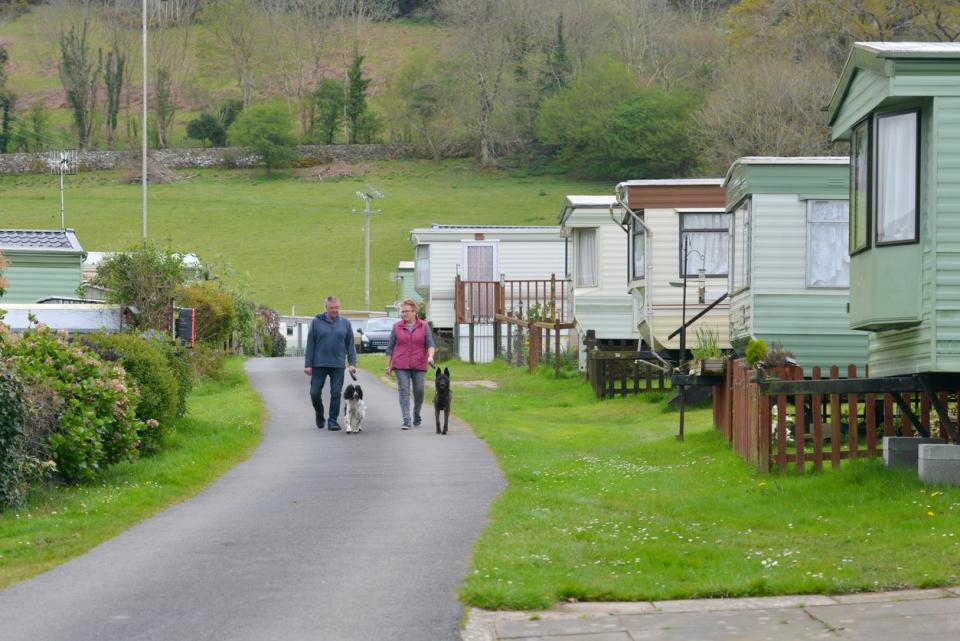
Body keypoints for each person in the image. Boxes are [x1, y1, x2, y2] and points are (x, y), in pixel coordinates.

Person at [304, 296, 357, 431]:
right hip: (319, 364)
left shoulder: (345, 323)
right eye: (332, 308)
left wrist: (352, 363)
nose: (335, 310)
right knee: (314, 393)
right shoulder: (316, 322)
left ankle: (332, 421)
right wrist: (308, 364)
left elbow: (350, 345)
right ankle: (319, 413)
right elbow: (310, 344)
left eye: (337, 308)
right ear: (326, 308)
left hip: (338, 365)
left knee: (336, 393)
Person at [385, 299, 436, 430]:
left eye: (407, 311)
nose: (404, 314)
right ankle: (406, 420)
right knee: (404, 391)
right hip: (400, 364)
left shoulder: (424, 326)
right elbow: (390, 348)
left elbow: (430, 344)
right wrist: (388, 365)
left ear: (414, 312)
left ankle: (416, 413)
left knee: (419, 392)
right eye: (402, 312)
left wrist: (430, 356)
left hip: (419, 364)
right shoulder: (397, 327)